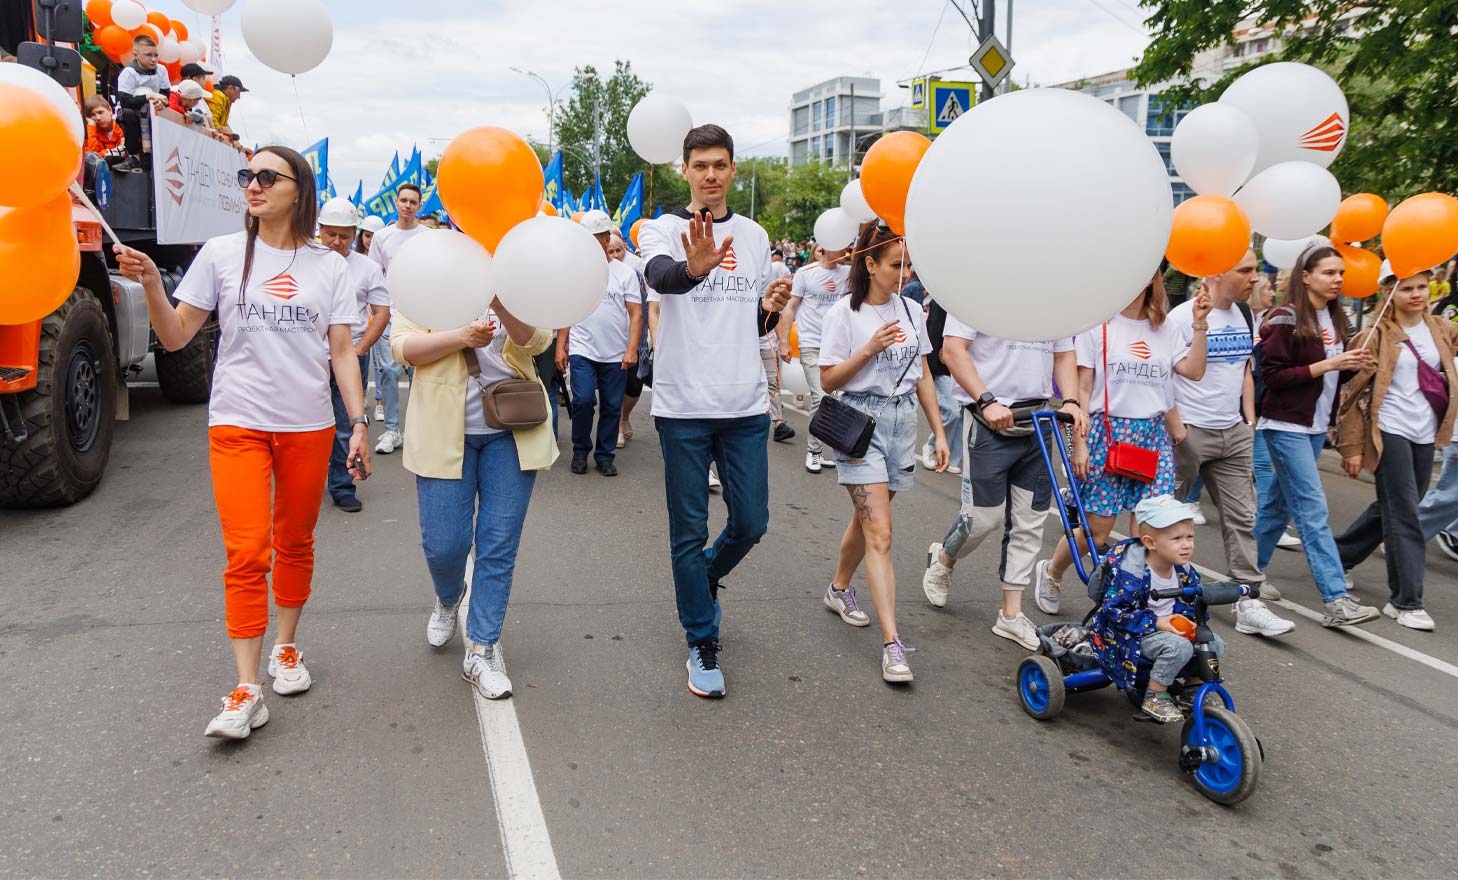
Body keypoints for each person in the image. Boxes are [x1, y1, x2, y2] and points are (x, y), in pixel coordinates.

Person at [114, 147, 369, 739]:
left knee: (295, 540)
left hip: (308, 423)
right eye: (246, 175)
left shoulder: (329, 266)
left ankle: (286, 647)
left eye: (267, 177)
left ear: (299, 190)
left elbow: (341, 352)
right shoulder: (221, 253)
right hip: (237, 421)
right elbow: (175, 337)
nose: (252, 185)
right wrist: (152, 284)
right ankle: (247, 688)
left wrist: (358, 422)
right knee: (248, 551)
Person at [639, 124, 793, 698]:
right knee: (688, 530)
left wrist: (769, 309)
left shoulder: (753, 235)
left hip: (744, 403)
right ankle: (701, 639)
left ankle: (702, 579)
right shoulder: (661, 228)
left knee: (752, 522)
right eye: (700, 165)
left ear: (732, 170)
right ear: (684, 170)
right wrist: (694, 267)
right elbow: (662, 278)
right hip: (682, 405)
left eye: (720, 164)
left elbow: (747, 322)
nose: (710, 174)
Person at [392, 297, 555, 700]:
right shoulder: (431, 279)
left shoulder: (517, 278)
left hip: (512, 426)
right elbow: (403, 348)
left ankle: (482, 650)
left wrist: (502, 302)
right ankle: (449, 597)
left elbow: (539, 342)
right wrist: (462, 336)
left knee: (498, 544)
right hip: (441, 430)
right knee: (444, 545)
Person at [1034, 263, 1210, 606]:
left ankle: (1134, 601)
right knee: (1096, 531)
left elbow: (1194, 371)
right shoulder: (1098, 325)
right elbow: (1083, 389)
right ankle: (1053, 571)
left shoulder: (1167, 327)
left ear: (1152, 278)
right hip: (1106, 434)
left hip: (1152, 437)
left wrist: (1200, 324)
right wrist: (1079, 444)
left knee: (1150, 529)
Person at [818, 224, 949, 682]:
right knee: (882, 533)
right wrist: (870, 349)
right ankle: (893, 644)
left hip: (902, 423)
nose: (904, 273)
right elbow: (828, 380)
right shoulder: (845, 313)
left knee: (866, 521)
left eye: (907, 265)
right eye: (896, 265)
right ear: (870, 264)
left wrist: (939, 433)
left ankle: (839, 588)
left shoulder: (912, 310)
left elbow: (923, 373)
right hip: (860, 422)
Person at [921, 302, 1085, 650]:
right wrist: (986, 400)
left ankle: (1010, 614)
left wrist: (1071, 400)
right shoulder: (978, 289)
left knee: (1030, 522)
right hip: (988, 420)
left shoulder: (1053, 296)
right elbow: (952, 350)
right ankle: (944, 557)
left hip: (1038, 421)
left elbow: (1064, 354)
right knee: (982, 520)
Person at [1166, 250, 1294, 637]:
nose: (1255, 277)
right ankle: (1155, 593)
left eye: (1255, 270)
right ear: (1218, 273)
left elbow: (1245, 370)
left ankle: (1248, 600)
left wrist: (1248, 422)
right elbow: (1164, 375)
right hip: (1189, 432)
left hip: (1234, 432)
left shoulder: (1244, 313)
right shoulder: (1181, 317)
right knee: (1166, 517)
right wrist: (1178, 427)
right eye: (1246, 270)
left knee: (1243, 518)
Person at [1253, 242, 1379, 627]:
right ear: (1306, 277)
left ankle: (1245, 575)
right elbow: (1273, 376)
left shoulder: (1336, 319)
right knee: (1312, 510)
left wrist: (1353, 364)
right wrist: (1331, 363)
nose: (1338, 279)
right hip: (1285, 425)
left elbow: (1328, 374)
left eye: (1341, 273)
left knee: (1277, 507)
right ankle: (1336, 599)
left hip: (1314, 427)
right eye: (1329, 272)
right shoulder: (1285, 317)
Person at [1335, 268, 1458, 631]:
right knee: (1405, 513)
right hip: (1388, 430)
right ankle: (1405, 601)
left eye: (1422, 287)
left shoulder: (1440, 328)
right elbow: (1351, 395)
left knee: (1394, 504)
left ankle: (1337, 556)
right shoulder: (1376, 334)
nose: (1417, 294)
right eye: (1406, 289)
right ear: (1389, 292)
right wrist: (1351, 447)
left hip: (1425, 432)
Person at [1090, 496, 1226, 723]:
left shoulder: (1183, 571)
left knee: (1213, 643)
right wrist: (1156, 623)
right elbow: (1113, 612)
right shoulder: (1132, 573)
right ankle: (1154, 695)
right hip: (1131, 635)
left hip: (1168, 631)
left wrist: (1193, 620)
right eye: (1177, 539)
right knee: (1178, 647)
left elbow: (1193, 601)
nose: (1186, 544)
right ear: (1151, 543)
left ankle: (1192, 690)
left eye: (1189, 537)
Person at [317, 197, 391, 513]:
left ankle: (342, 486)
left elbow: (382, 312)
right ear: (319, 230)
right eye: (330, 234)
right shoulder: (303, 261)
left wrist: (360, 350)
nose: (337, 241)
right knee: (306, 423)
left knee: (347, 424)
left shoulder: (367, 268)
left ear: (355, 234)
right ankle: (303, 482)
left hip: (350, 356)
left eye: (344, 235)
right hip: (309, 358)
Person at [556, 210, 642, 477]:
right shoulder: (575, 272)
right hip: (583, 348)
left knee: (612, 406)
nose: (592, 242)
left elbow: (635, 313)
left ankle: (605, 455)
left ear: (607, 239)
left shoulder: (625, 273)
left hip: (615, 352)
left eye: (598, 237)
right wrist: (561, 345)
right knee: (582, 400)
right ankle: (581, 451)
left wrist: (631, 349)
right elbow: (568, 309)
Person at [779, 243, 850, 473]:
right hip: (811, 343)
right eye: (841, 245)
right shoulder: (805, 272)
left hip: (838, 346)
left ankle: (824, 450)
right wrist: (784, 341)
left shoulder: (848, 273)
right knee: (821, 397)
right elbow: (791, 307)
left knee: (834, 400)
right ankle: (814, 452)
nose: (846, 249)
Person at [369, 184, 428, 455]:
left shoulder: (427, 236)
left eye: (413, 202)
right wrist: (373, 311)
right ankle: (392, 429)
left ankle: (417, 430)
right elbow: (374, 274)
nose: (407, 205)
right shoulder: (382, 237)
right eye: (403, 200)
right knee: (389, 371)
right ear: (396, 202)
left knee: (419, 374)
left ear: (419, 206)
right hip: (391, 315)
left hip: (421, 315)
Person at [919, 296, 963, 475]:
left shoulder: (971, 302)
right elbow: (932, 333)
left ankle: (951, 458)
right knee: (952, 411)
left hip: (963, 365)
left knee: (962, 414)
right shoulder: (942, 300)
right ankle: (932, 446)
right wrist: (931, 367)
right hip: (942, 365)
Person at [113, 34, 170, 169]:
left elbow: (165, 93)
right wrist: (148, 96)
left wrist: (161, 102)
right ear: (136, 55)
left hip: (153, 108)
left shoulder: (161, 70)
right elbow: (125, 101)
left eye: (156, 55)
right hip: (130, 110)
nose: (153, 59)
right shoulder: (129, 73)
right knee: (128, 114)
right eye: (148, 55)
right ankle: (133, 155)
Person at [764, 248, 795, 444]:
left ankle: (778, 423)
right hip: (740, 345)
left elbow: (776, 314)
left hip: (765, 343)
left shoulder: (767, 280)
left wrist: (783, 343)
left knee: (772, 382)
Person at [82, 96, 125, 161]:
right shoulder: (91, 131)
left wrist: (102, 153)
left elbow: (126, 153)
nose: (98, 118)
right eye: (92, 115)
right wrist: (91, 127)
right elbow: (91, 158)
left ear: (110, 110)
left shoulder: (122, 126)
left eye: (100, 112)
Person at [208, 74, 247, 140]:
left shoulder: (225, 100)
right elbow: (212, 120)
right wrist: (225, 133)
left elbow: (224, 124)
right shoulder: (218, 96)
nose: (239, 97)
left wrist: (236, 143)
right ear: (230, 88)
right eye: (238, 92)